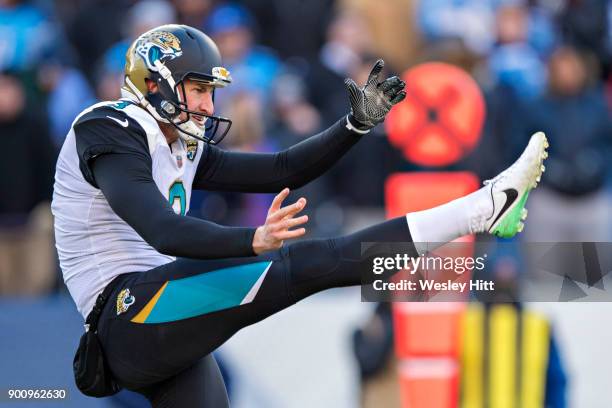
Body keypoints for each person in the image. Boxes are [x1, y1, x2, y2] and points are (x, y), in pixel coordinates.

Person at [52, 24, 548, 407]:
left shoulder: (175, 142)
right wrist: (252, 240)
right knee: (307, 264)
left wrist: (353, 126)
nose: (208, 104)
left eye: (211, 91)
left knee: (308, 264)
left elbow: (281, 169)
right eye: (198, 89)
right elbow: (160, 230)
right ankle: (483, 207)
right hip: (127, 315)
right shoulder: (109, 128)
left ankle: (486, 208)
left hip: (160, 314)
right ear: (157, 84)